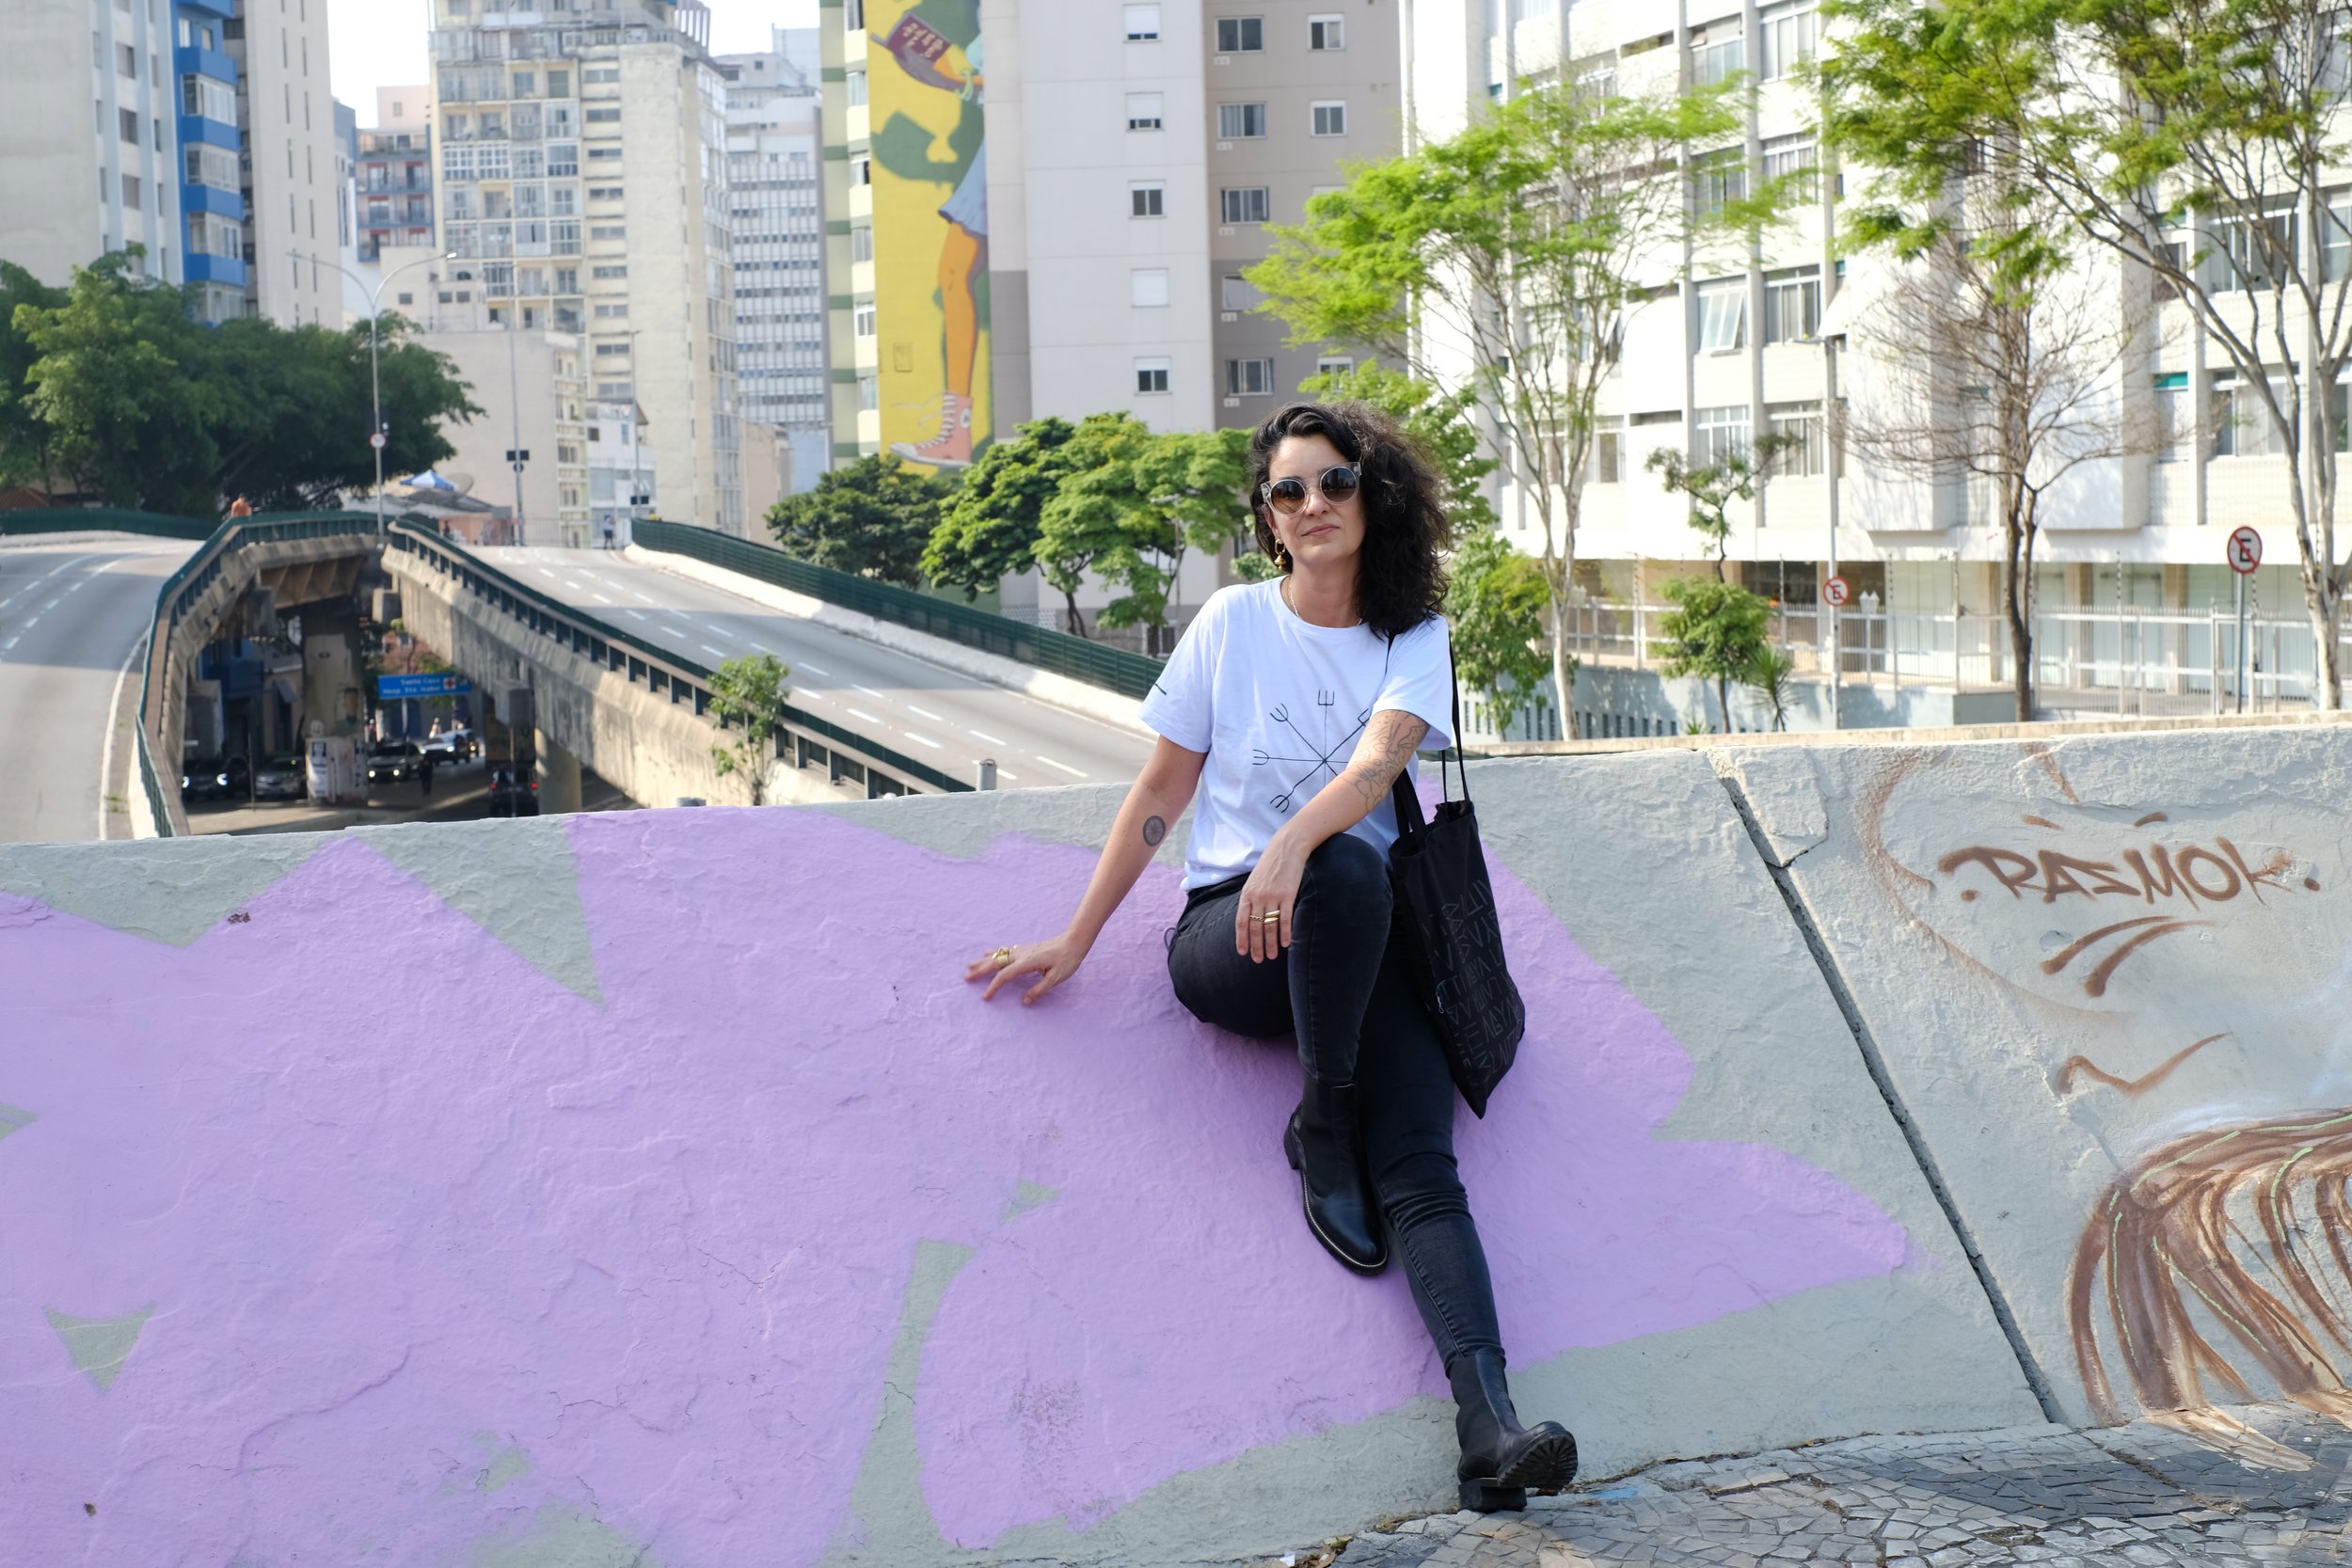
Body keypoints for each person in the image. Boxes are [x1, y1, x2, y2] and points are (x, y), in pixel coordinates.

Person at [964, 402, 1579, 1512]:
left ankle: (1489, 1427)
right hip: (1227, 941)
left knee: (1424, 1167)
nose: (1311, 506)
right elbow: (1162, 789)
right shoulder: (1232, 623)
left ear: (1371, 494)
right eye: (1288, 491)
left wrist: (1295, 838)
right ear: (1266, 518)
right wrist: (1078, 933)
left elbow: (1382, 758)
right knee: (1341, 867)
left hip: (1360, 930)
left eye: (1333, 482)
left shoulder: (1413, 635)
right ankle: (1323, 1117)